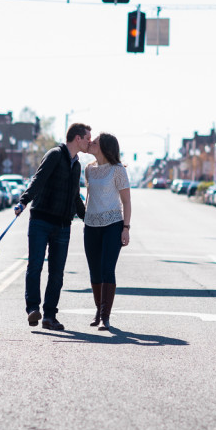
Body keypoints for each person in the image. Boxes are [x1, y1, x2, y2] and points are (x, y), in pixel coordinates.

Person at [15, 123, 90, 331]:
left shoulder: (77, 165)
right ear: (77, 138)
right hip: (41, 220)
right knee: (35, 266)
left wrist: (87, 219)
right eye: (87, 139)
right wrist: (24, 200)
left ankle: (49, 316)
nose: (89, 142)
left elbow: (75, 196)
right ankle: (33, 309)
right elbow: (38, 179)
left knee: (57, 273)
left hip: (63, 225)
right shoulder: (55, 155)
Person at [83, 132, 132, 331]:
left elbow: (127, 201)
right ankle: (98, 310)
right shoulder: (88, 170)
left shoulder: (118, 170)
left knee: (106, 269)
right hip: (91, 226)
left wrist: (126, 228)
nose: (91, 143)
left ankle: (106, 316)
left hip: (113, 225)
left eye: (95, 142)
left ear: (104, 147)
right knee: (94, 270)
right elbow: (89, 197)